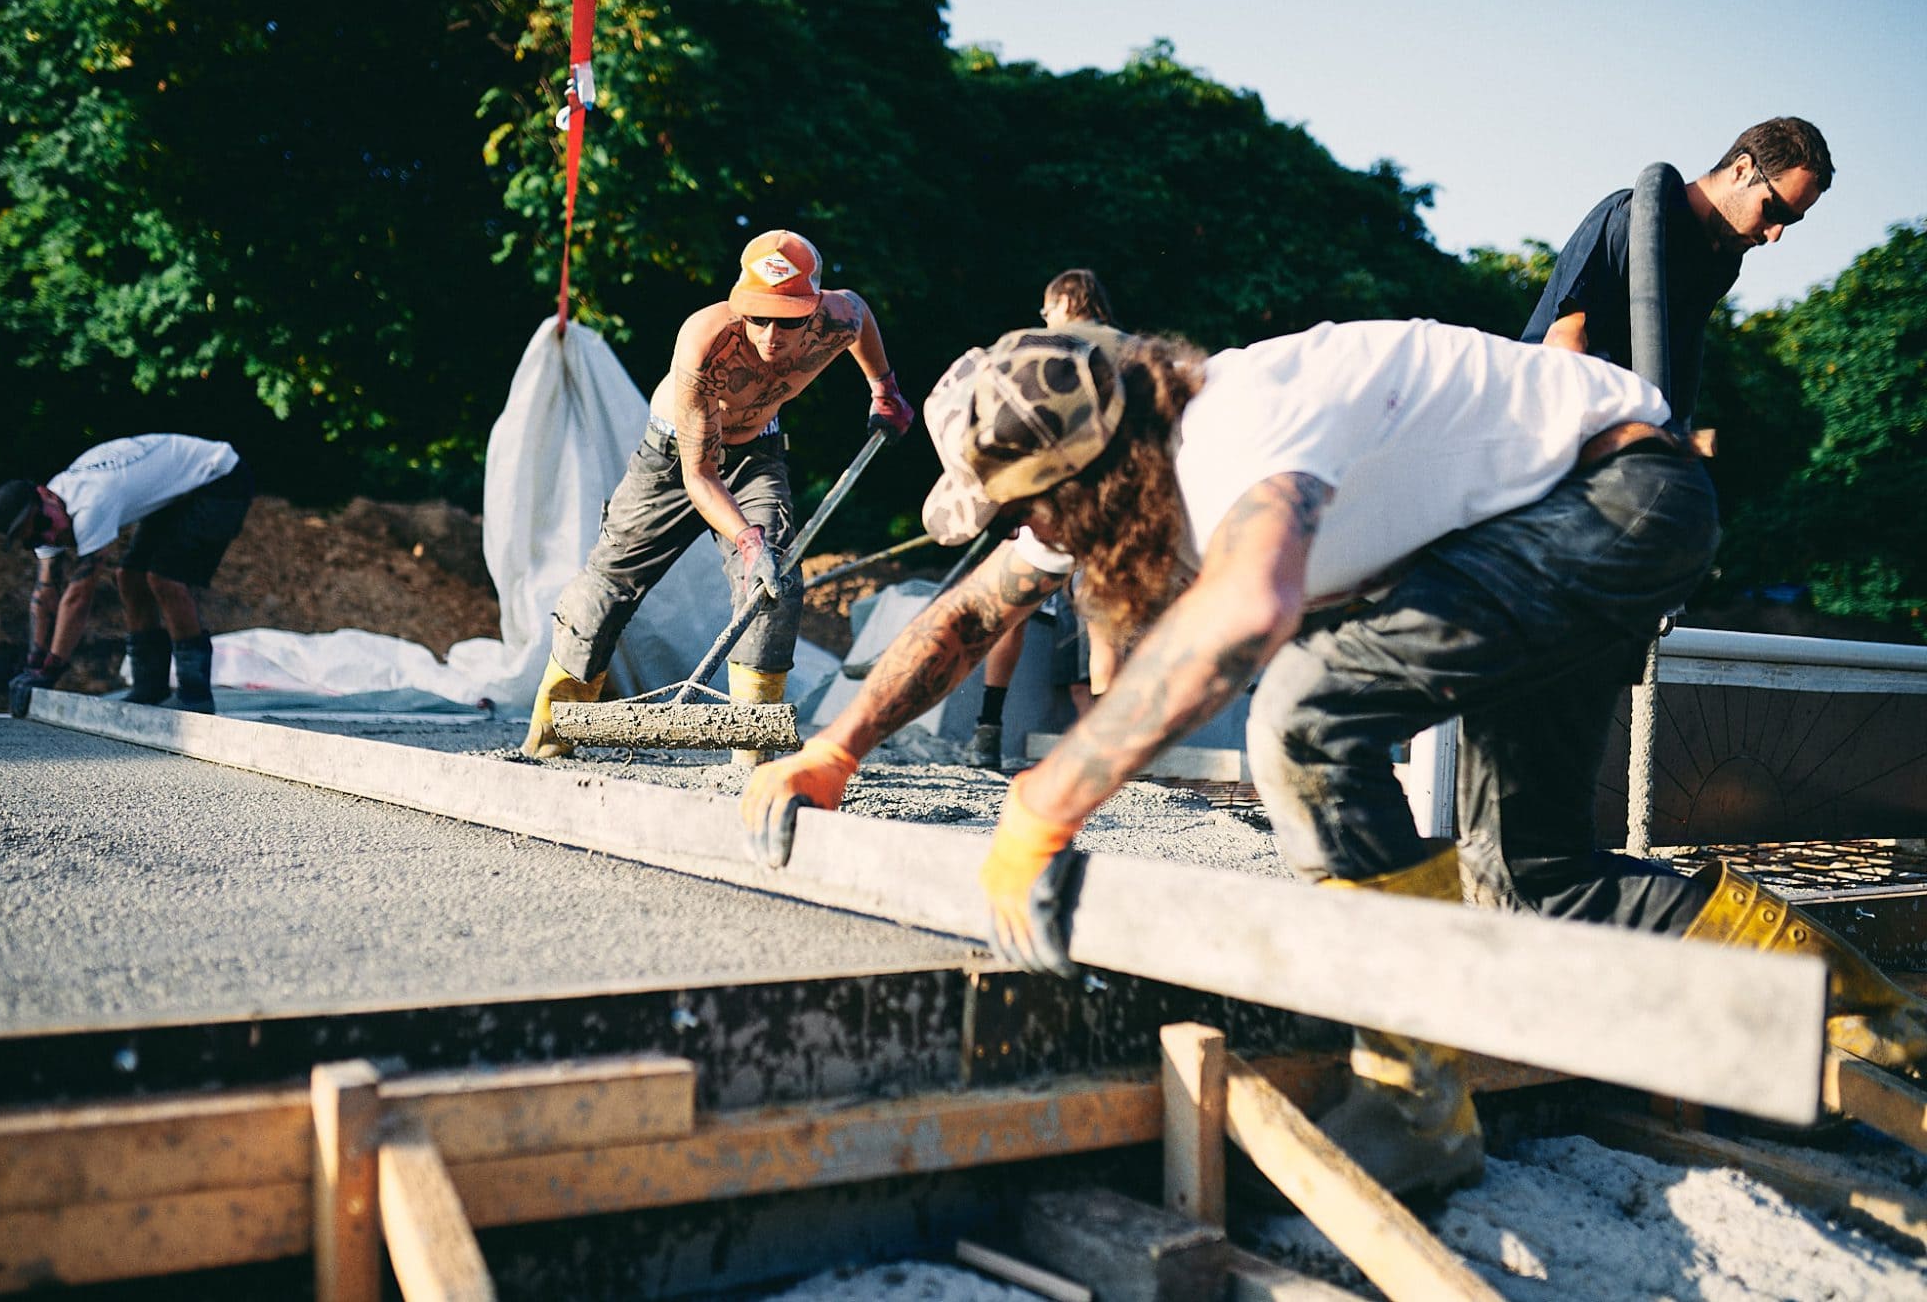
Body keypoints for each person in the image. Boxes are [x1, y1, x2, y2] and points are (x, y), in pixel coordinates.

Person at [742, 320, 1927, 1199]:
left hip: (1616, 499)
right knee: (1538, 880)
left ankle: (1413, 1101)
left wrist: (1049, 801)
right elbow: (967, 616)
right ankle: (1864, 1029)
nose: (1031, 538)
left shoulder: (1237, 431)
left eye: (1031, 511)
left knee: (1302, 715)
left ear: (1087, 475)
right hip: (1571, 520)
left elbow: (1249, 609)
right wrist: (835, 748)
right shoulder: (1121, 463)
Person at [521, 229, 915, 765]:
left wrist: (884, 389)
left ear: (814, 308)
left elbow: (862, 320)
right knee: (606, 587)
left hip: (758, 452)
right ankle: (550, 735)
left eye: (789, 320)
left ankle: (752, 756)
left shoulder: (839, 316)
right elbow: (700, 474)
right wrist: (747, 541)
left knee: (774, 582)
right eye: (759, 317)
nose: (771, 335)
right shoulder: (706, 342)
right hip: (674, 458)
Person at [1522, 116, 1832, 423]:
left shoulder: (1720, 262)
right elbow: (1564, 343)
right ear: (1741, 170)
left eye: (1791, 220)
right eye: (1774, 210)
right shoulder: (1631, 218)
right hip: (1545, 422)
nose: (1775, 234)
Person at [965, 269, 1123, 771]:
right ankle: (1106, 749)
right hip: (1109, 505)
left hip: (1049, 501)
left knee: (1009, 611)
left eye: (1048, 307)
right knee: (1101, 624)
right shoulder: (1132, 351)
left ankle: (987, 731)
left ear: (1066, 301)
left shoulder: (1046, 349)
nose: (1045, 317)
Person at [0, 433, 255, 717]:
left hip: (221, 478)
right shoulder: (49, 513)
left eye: (43, 525)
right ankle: (150, 687)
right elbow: (45, 593)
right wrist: (33, 666)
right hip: (180, 492)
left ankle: (195, 694)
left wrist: (50, 670)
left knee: (164, 578)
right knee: (129, 576)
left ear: (46, 494)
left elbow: (78, 597)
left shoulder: (90, 503)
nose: (50, 537)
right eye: (33, 540)